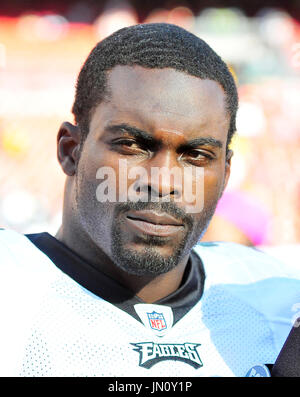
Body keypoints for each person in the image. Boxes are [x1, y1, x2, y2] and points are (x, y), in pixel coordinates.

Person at [1, 23, 300, 377]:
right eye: (132, 145)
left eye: (197, 155)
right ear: (70, 151)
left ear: (226, 176)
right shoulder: (11, 290)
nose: (163, 181)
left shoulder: (278, 305)